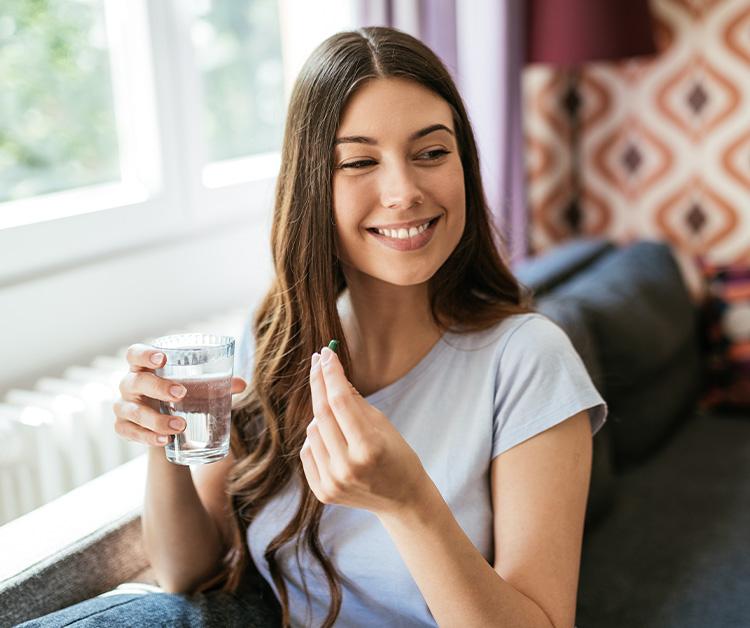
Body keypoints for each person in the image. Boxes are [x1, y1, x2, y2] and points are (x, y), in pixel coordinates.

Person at [21, 25, 607, 628]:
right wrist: (165, 445)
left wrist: (410, 504)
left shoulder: (528, 359)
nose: (404, 192)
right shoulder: (276, 339)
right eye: (359, 161)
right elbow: (186, 573)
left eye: (432, 153)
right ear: (311, 188)